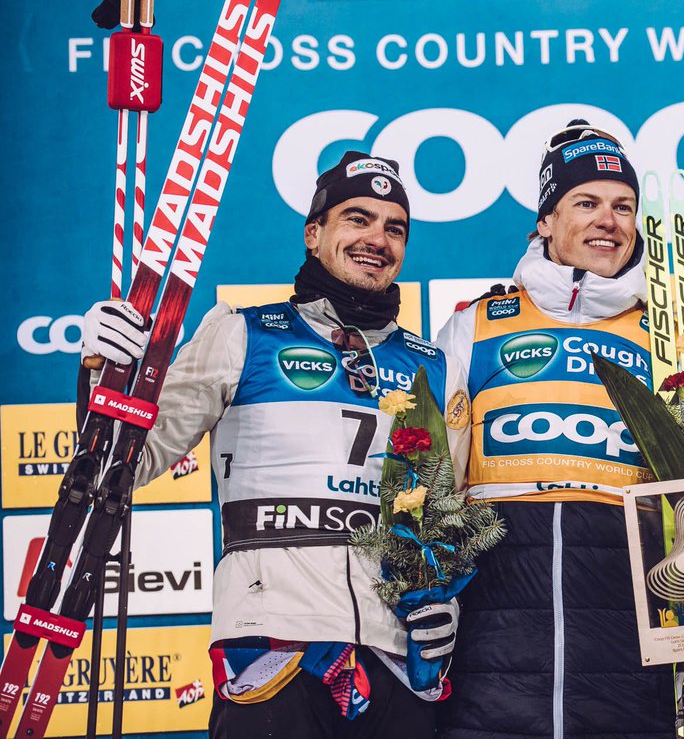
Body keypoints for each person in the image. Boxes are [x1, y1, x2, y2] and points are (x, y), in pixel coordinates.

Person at [80, 151, 471, 738]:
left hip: (397, 659)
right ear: (314, 233)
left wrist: (450, 603)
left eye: (395, 228)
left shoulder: (433, 366)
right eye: (356, 219)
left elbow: (456, 515)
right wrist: (99, 373)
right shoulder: (243, 333)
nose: (377, 239)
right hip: (273, 650)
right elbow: (125, 465)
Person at [434, 120, 675, 739]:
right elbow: (428, 482)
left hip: (629, 646)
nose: (609, 221)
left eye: (623, 206)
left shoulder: (671, 337)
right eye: (586, 202)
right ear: (545, 219)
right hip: (493, 650)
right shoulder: (477, 326)